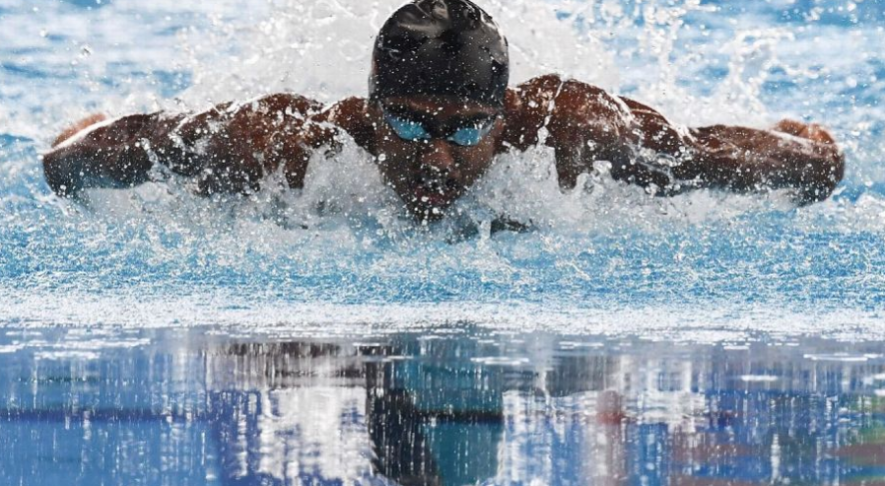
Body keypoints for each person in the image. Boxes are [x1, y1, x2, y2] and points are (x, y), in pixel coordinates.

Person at [43, 0, 845, 223]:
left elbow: (726, 157)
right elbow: (74, 158)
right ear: (368, 108)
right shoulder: (278, 145)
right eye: (407, 124)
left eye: (465, 129)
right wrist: (73, 144)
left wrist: (807, 149)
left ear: (504, 117)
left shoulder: (576, 135)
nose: (435, 157)